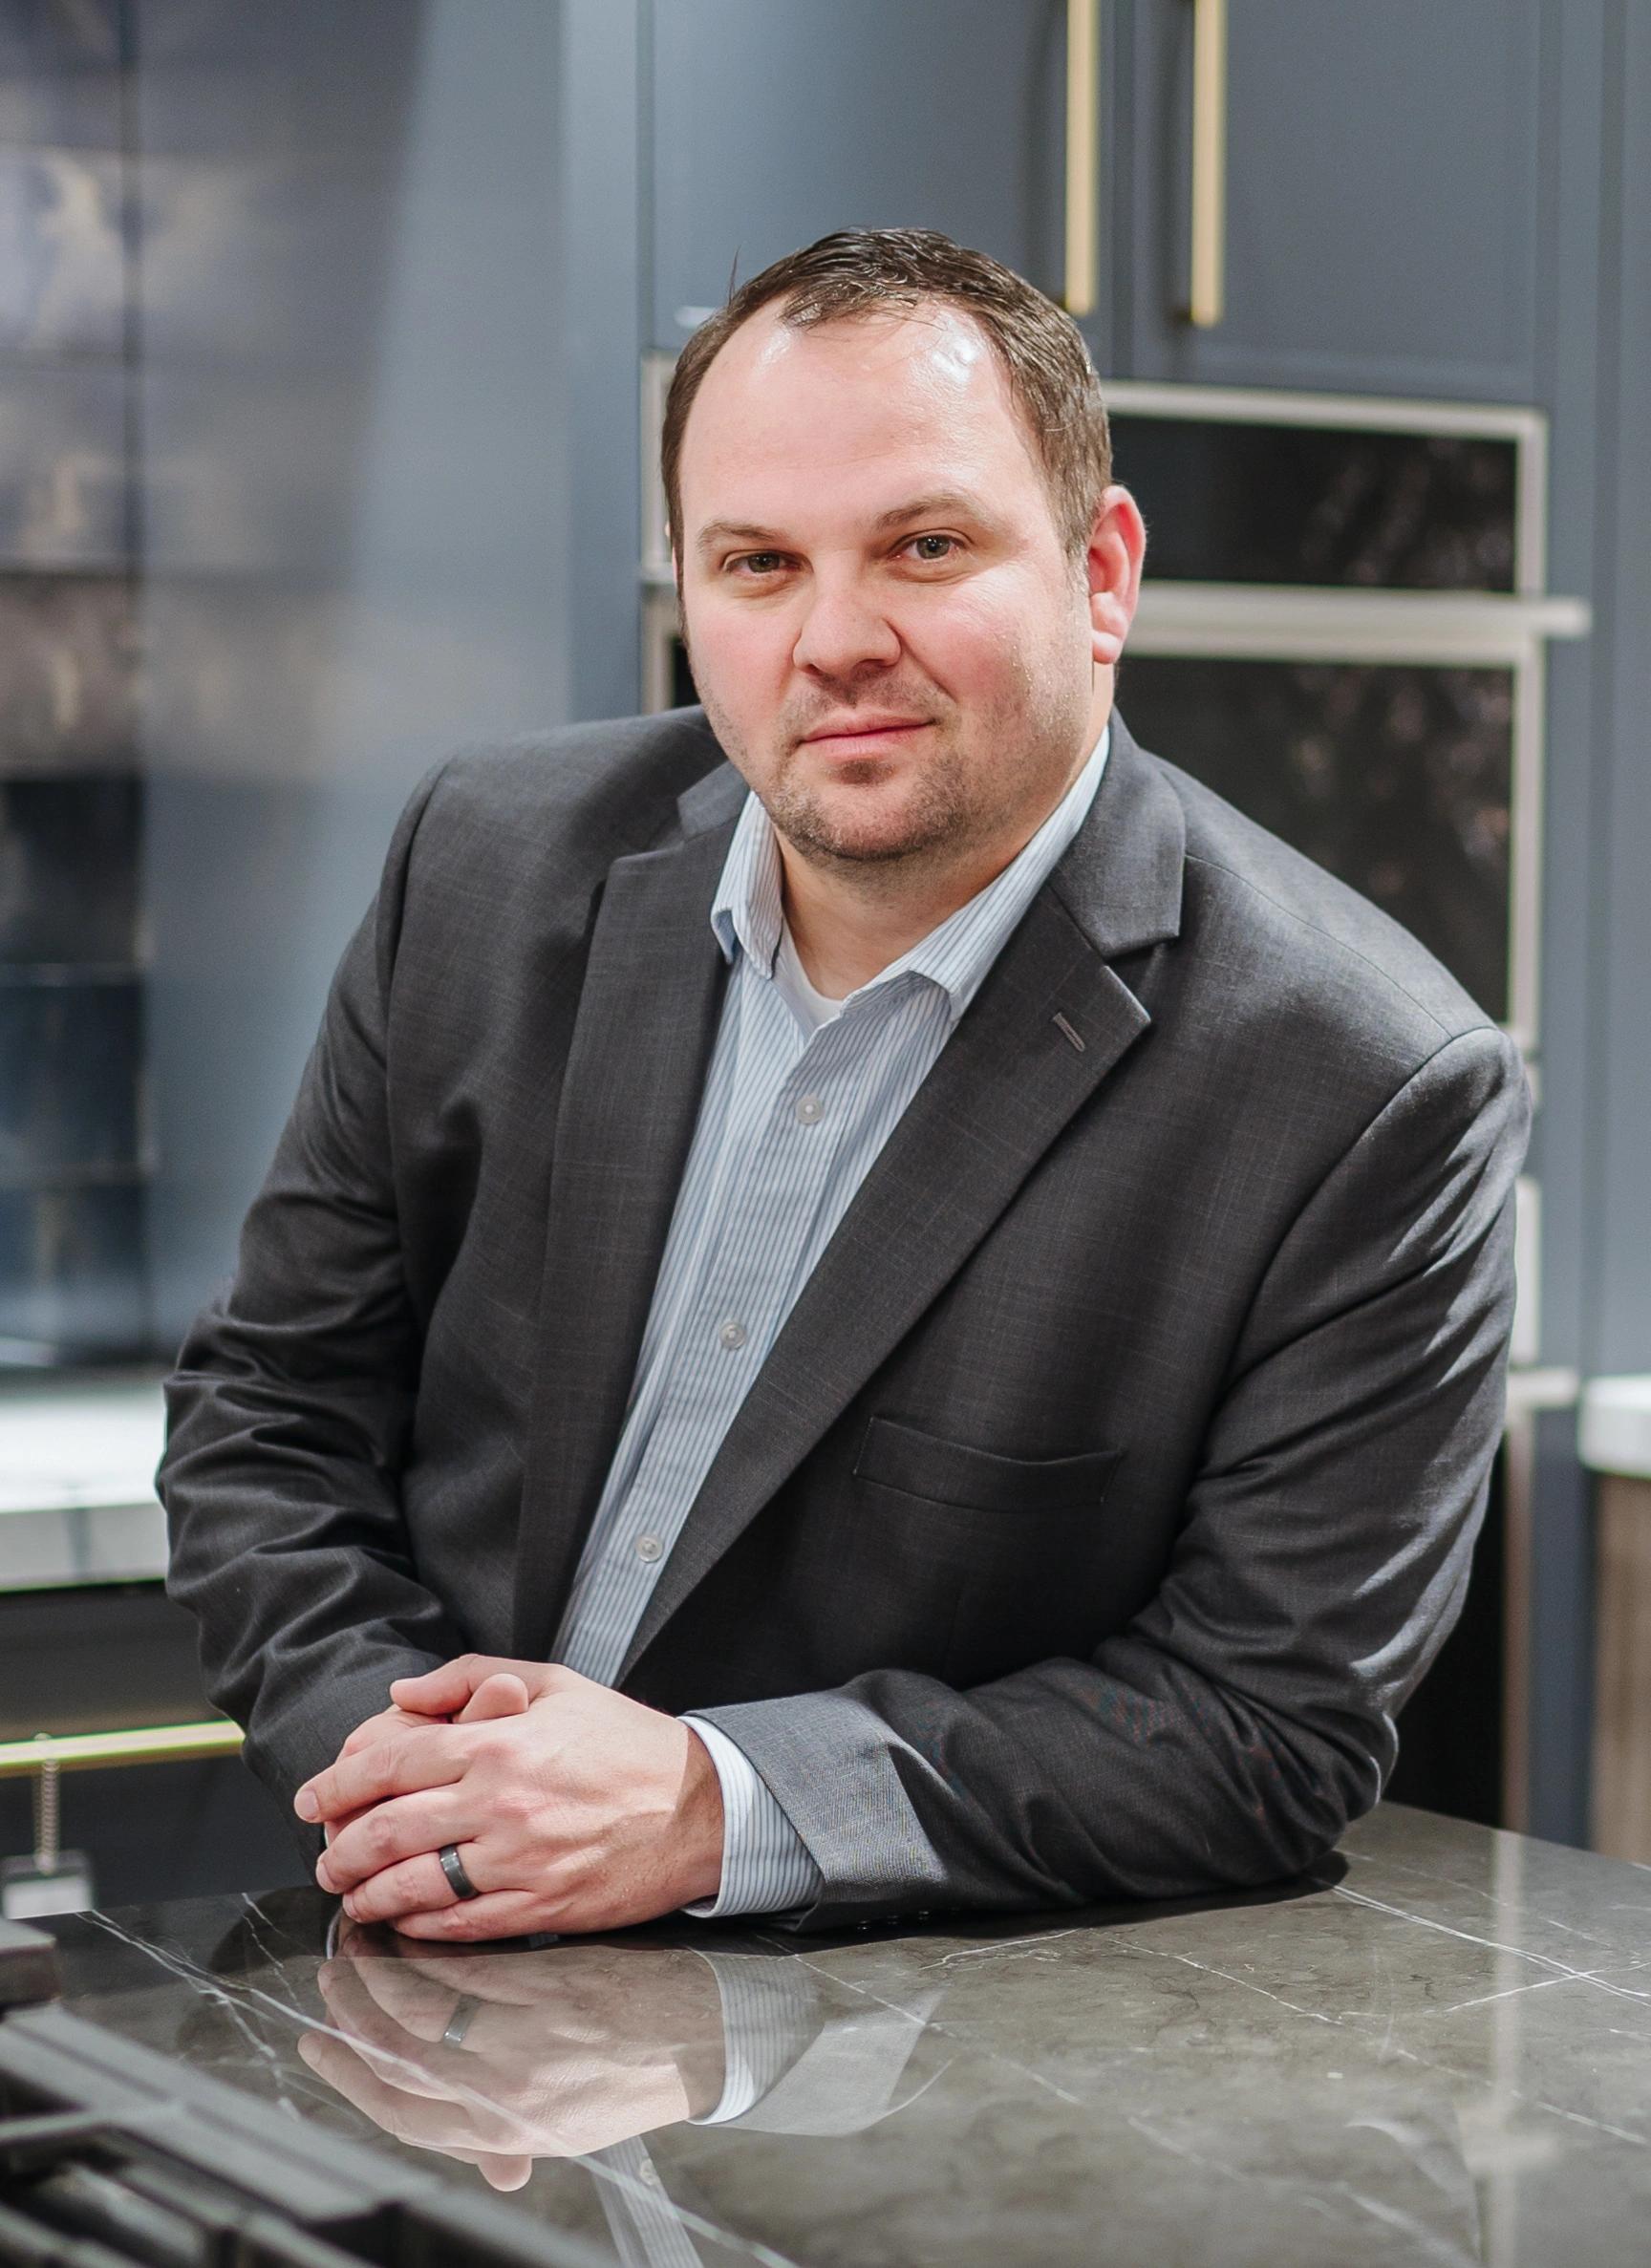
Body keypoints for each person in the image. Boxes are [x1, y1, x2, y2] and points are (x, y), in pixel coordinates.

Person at [159, 228, 1529, 1943]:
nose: (835, 638)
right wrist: (425, 1789)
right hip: (415, 1983)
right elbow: (269, 1418)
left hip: (891, 2083)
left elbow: (1261, 1725)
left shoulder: (1367, 1087)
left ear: (1103, 574)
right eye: (755, 563)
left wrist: (706, 1809)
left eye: (925, 545)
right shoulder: (485, 868)